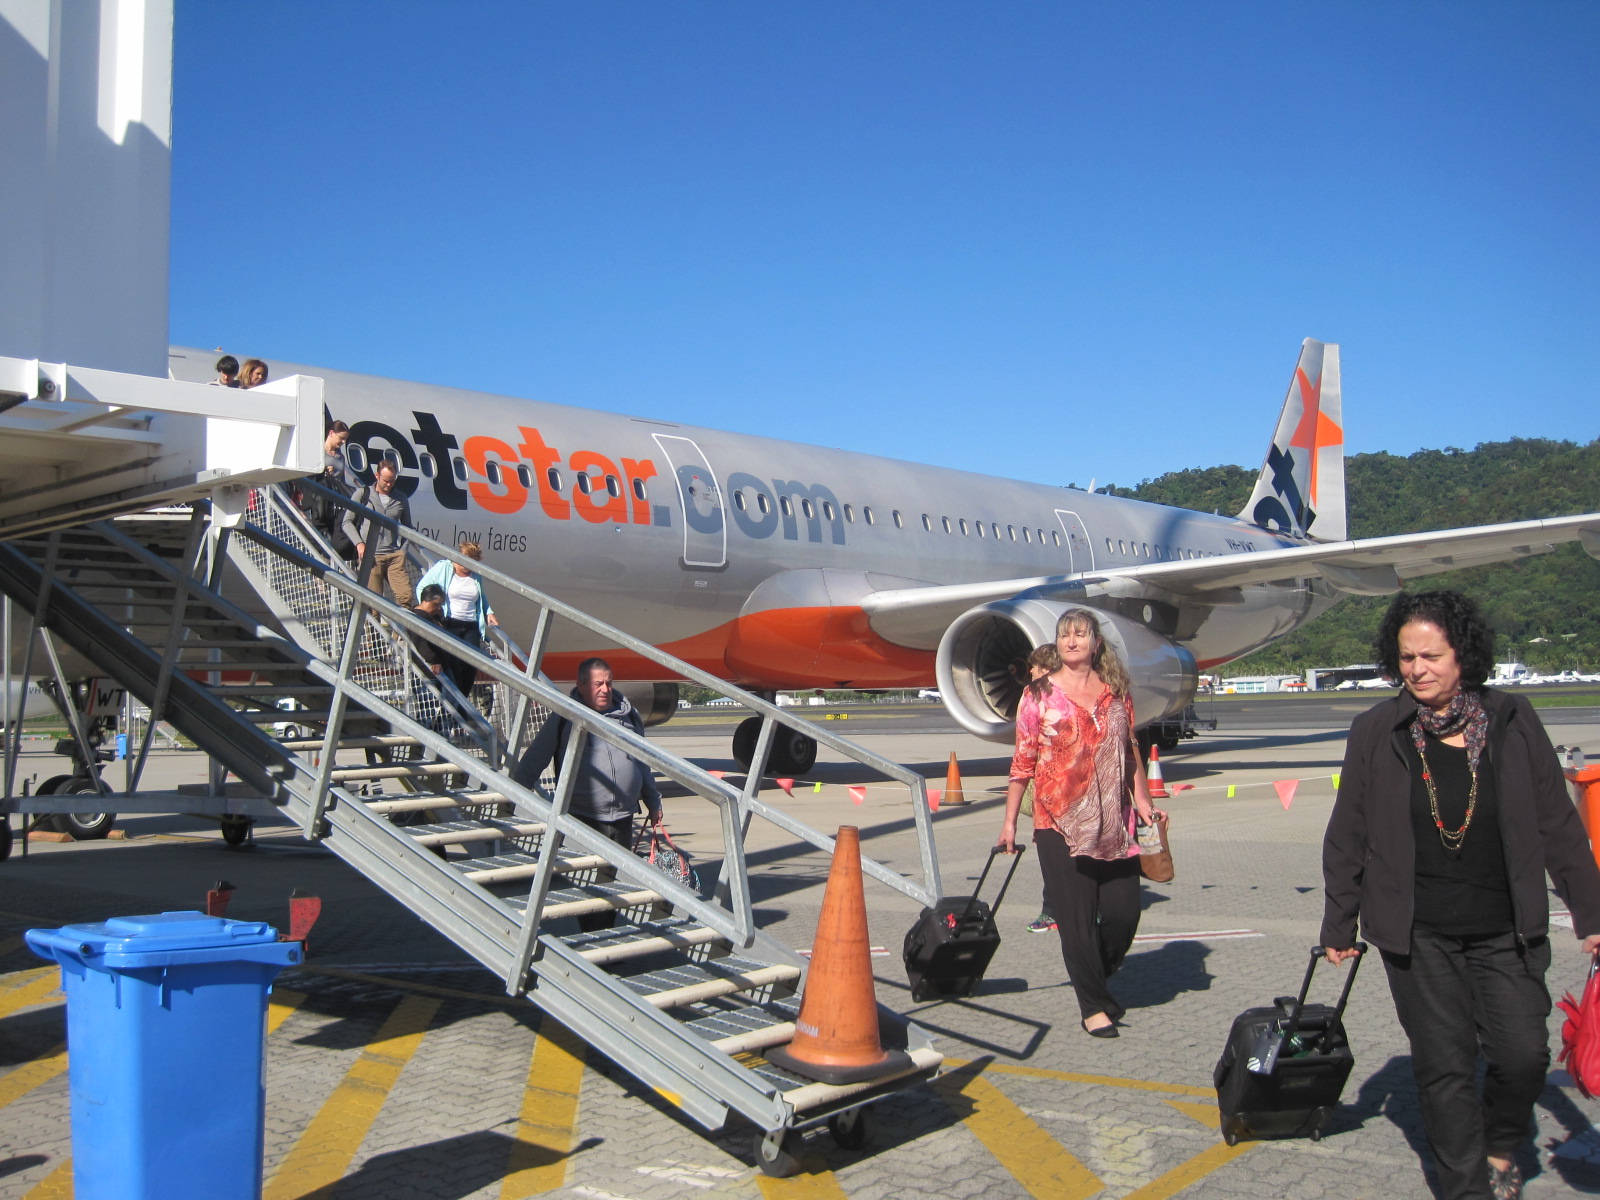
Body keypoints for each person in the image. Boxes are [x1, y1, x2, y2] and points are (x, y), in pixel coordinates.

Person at [1322, 590, 1600, 1200]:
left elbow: (1557, 823)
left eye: (1431, 656)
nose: (1417, 669)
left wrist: (1591, 911)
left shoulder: (1513, 719)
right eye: (1406, 657)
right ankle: (1466, 1188)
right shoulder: (1376, 730)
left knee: (1523, 1055)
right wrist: (1339, 923)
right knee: (1443, 1068)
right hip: (1418, 935)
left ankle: (1501, 1144)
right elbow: (1348, 832)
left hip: (1506, 928)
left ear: (1463, 656)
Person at [997, 609, 1161, 1037]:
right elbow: (1022, 762)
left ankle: (1093, 977)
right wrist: (1010, 822)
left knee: (1124, 913)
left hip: (1114, 822)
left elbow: (1129, 750)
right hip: (1058, 823)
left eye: (1080, 634)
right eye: (1065, 635)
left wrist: (1143, 800)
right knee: (1077, 921)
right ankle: (1093, 1007)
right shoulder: (1037, 695)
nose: (1071, 642)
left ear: (1096, 643)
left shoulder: (1116, 691)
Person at [511, 657, 665, 931]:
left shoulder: (628, 715)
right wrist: (511, 796)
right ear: (581, 685)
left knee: (614, 883)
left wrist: (653, 800)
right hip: (583, 817)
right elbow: (536, 757)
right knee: (590, 886)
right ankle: (595, 938)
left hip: (623, 816)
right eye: (598, 684)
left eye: (608, 683)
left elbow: (642, 762)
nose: (605, 689)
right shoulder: (565, 716)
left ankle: (607, 934)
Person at [417, 541, 500, 700]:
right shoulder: (444, 568)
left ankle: (461, 707)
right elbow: (422, 587)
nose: (467, 567)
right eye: (465, 561)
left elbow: (481, 596)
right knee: (454, 667)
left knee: (470, 668)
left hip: (470, 626)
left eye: (472, 563)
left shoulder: (475, 575)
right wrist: (429, 610)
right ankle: (453, 706)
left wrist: (488, 612)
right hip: (450, 624)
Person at [1021, 643, 1061, 935]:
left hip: (1056, 793)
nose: (1031, 672)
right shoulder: (1035, 697)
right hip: (1052, 791)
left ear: (1047, 669)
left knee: (1054, 856)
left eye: (1035, 666)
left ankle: (1053, 911)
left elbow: (1024, 753)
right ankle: (1060, 908)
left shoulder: (1036, 698)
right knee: (1056, 853)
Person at [342, 459, 415, 607]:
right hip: (371, 556)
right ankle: (372, 623)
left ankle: (399, 623)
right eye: (386, 481)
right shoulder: (363, 494)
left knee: (405, 597)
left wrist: (403, 551)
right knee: (373, 602)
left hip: (394, 555)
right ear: (377, 476)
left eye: (392, 481)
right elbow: (347, 522)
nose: (389, 484)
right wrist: (359, 544)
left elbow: (408, 527)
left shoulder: (401, 498)